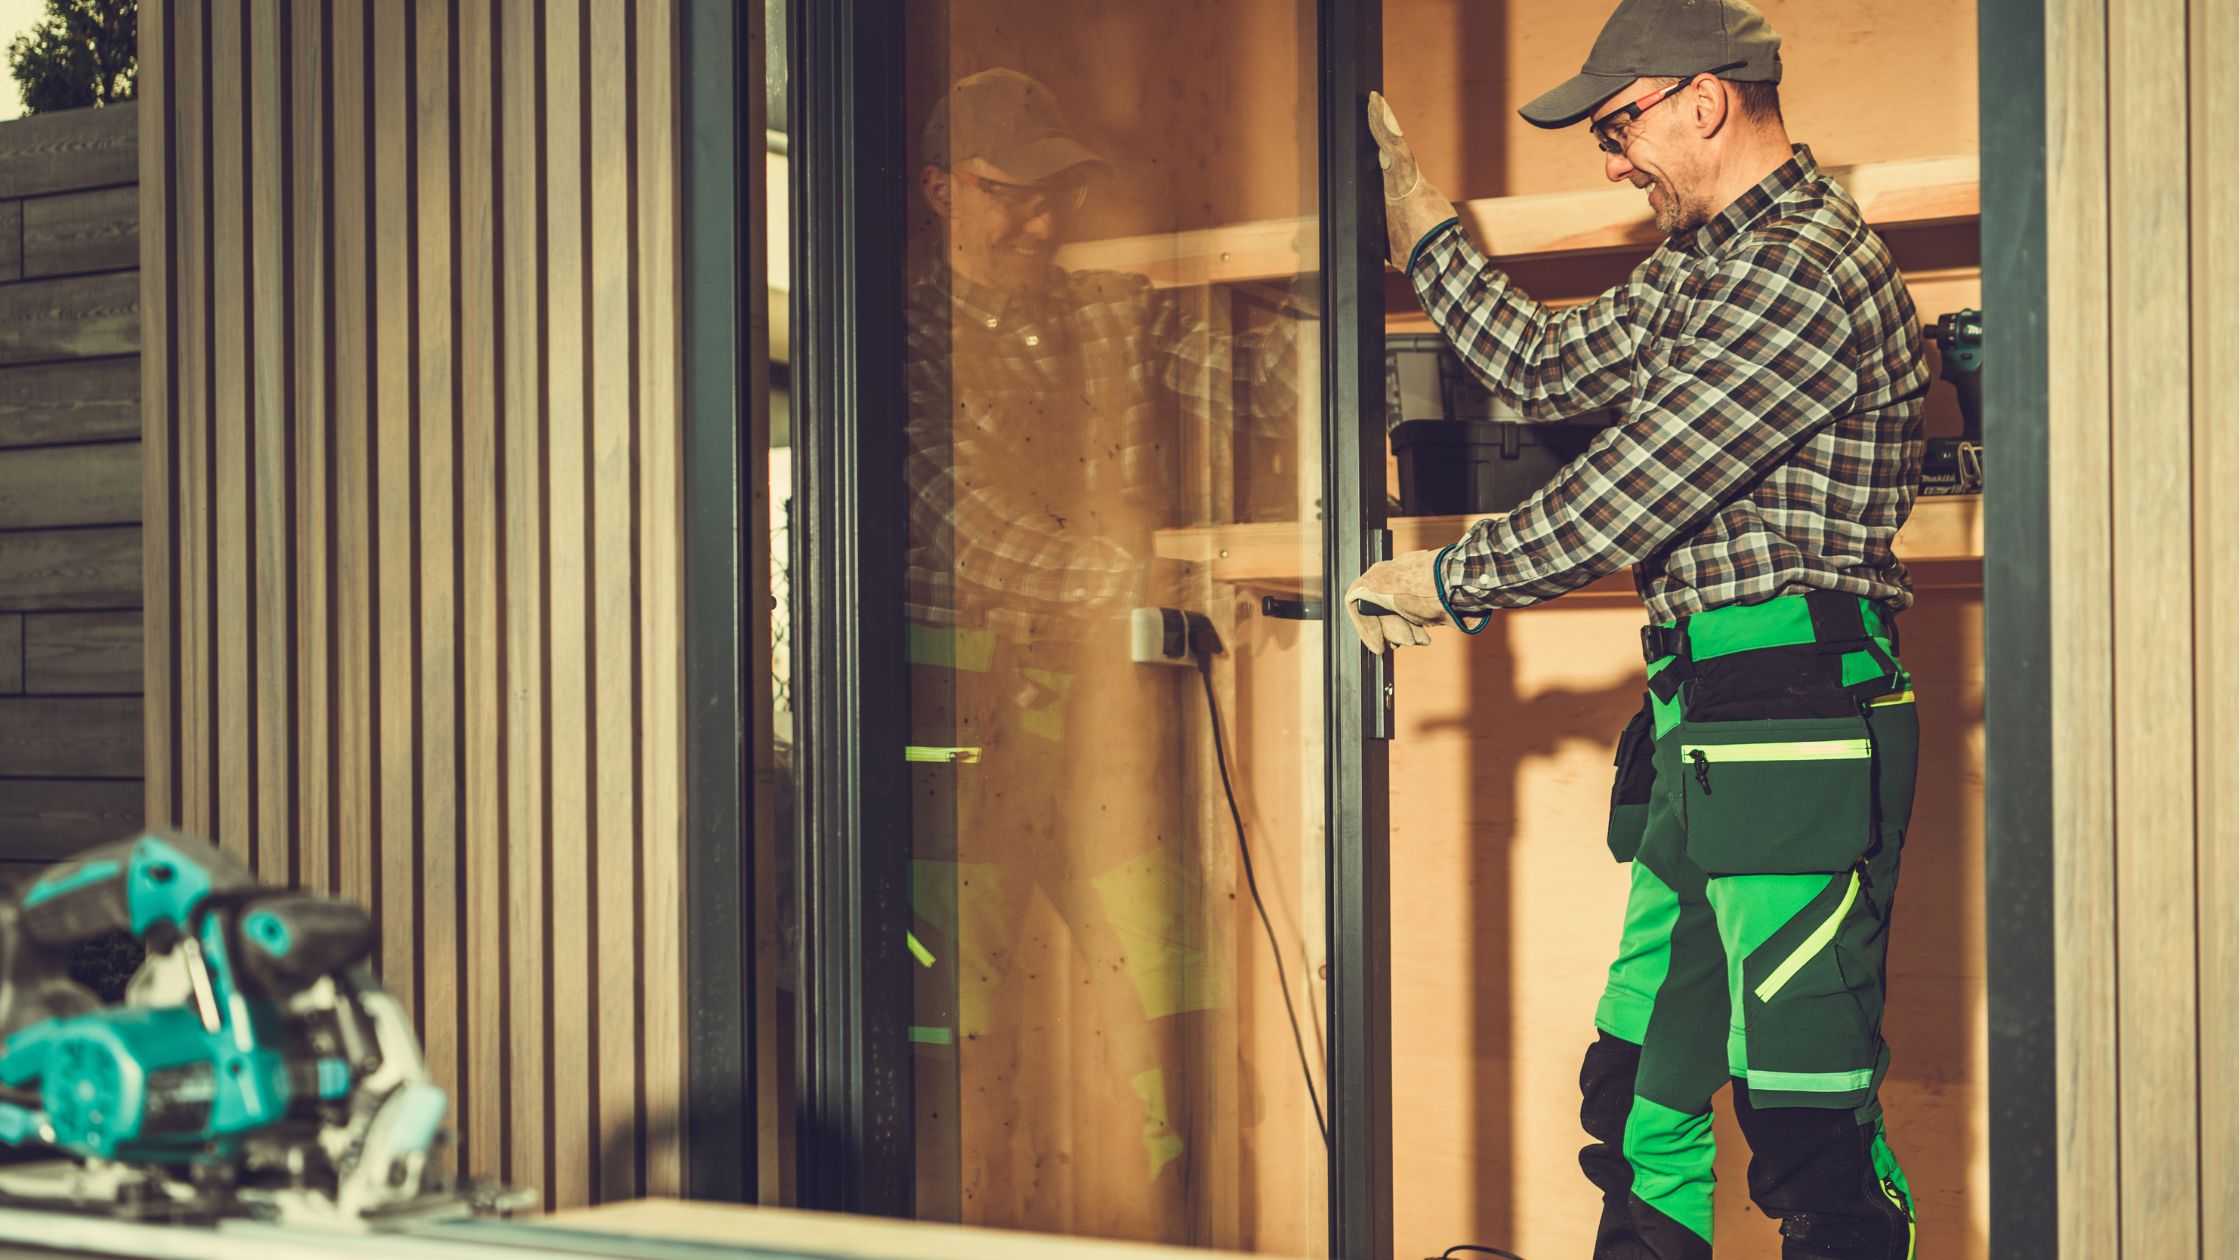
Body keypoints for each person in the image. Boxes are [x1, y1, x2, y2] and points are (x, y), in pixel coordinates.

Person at [1347, 2, 1930, 1256]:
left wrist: (1448, 578)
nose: (1611, 161)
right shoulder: (1710, 260)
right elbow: (1552, 369)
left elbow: (1635, 488)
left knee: (1805, 1121)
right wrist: (1425, 233)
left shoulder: (1804, 271)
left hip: (1795, 719)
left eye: (1620, 127)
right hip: (1703, 722)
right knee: (1640, 1095)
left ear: (1702, 99)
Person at [903, 67, 1299, 1239]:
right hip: (951, 746)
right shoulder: (893, 339)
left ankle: (1175, 1220)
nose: (1037, 219)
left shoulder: (1110, 313)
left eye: (1055, 195)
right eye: (1005, 191)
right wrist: (1141, 581)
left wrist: (1359, 317)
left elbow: (1266, 381)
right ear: (936, 190)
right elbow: (950, 527)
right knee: (948, 1034)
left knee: (1175, 1009)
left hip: (1106, 729)